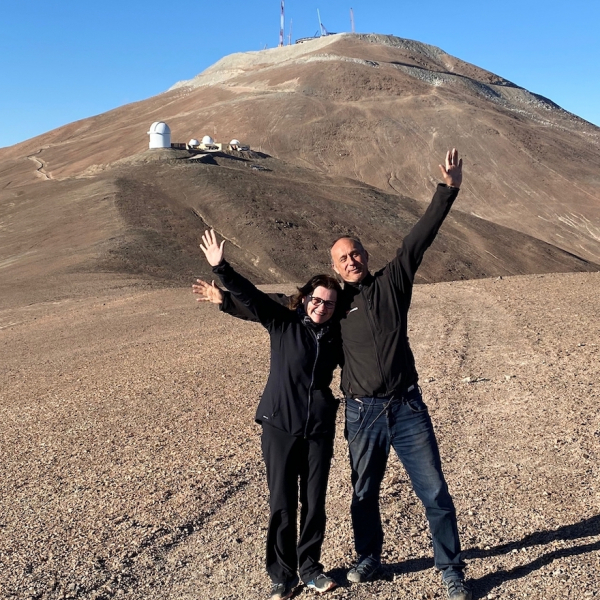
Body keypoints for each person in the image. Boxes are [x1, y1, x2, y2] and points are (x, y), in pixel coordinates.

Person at [195, 149, 472, 600]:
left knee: (434, 492)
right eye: (342, 258)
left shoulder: (392, 282)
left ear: (365, 255)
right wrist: (224, 294)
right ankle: (368, 558)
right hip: (361, 413)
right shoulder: (334, 307)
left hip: (405, 406)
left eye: (355, 253)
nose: (350, 261)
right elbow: (273, 312)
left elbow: (419, 238)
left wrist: (448, 190)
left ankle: (451, 570)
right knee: (363, 494)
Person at [195, 229, 342, 599]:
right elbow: (252, 298)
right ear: (306, 298)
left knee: (314, 503)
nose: (321, 307)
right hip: (279, 425)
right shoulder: (283, 322)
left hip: (318, 429)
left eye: (329, 303)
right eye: (317, 299)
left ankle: (310, 568)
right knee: (281, 504)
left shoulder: (336, 337)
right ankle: (282, 575)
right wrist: (222, 269)